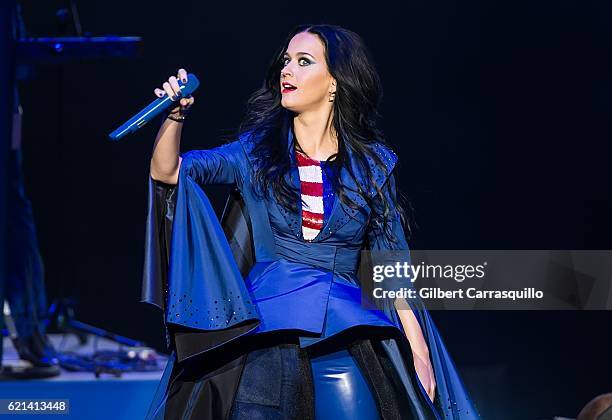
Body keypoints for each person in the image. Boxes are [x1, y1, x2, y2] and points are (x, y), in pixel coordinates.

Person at [142, 24, 479, 419]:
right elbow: (169, 173)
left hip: (347, 335)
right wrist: (176, 116)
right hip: (267, 336)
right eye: (286, 61)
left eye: (304, 62)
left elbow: (392, 270)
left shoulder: (372, 167)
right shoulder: (253, 154)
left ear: (334, 82)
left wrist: (419, 354)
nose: (288, 70)